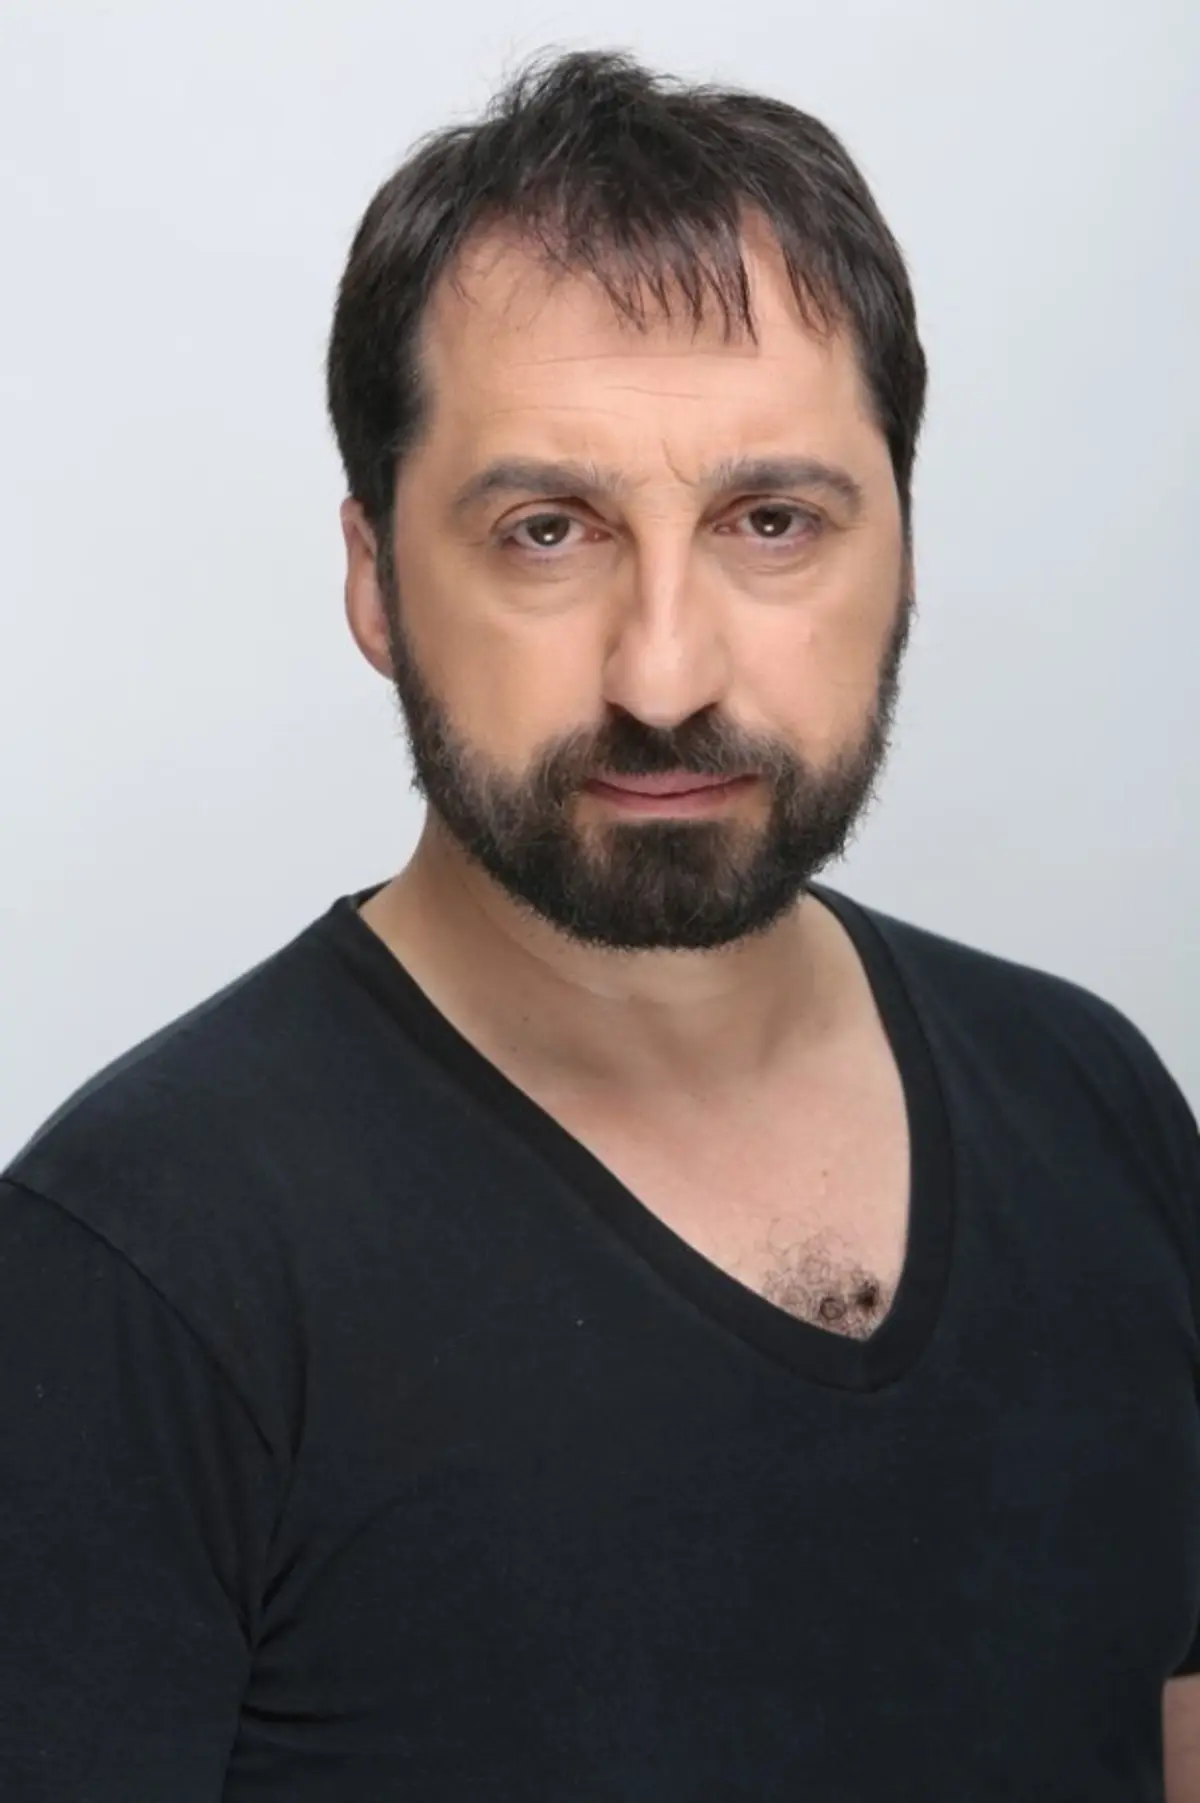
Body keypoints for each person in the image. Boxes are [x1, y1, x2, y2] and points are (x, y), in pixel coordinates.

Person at [2, 45, 1198, 1803]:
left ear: (904, 545)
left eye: (771, 521)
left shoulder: (1099, 1107)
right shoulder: (130, 1275)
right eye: (547, 531)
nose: (664, 673)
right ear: (375, 578)